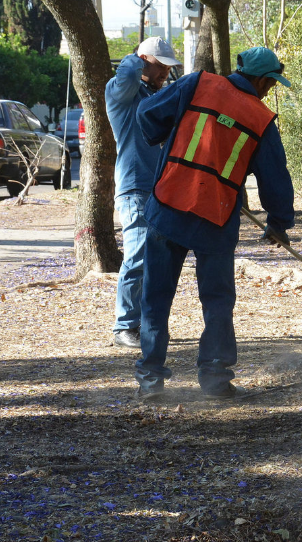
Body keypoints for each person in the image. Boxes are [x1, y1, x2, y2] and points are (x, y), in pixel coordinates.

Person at [133, 46, 295, 401]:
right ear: (261, 79)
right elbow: (275, 178)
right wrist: (278, 223)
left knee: (156, 297)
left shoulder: (196, 84)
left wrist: (166, 135)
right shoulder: (261, 118)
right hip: (216, 218)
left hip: (168, 204)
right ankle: (215, 379)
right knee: (218, 300)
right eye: (271, 83)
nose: (270, 90)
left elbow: (146, 113)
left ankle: (150, 380)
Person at [106, 36, 181, 348]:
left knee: (153, 259)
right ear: (144, 60)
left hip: (158, 189)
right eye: (160, 65)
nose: (165, 72)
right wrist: (137, 58)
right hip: (134, 187)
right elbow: (125, 75)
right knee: (136, 256)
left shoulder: (153, 93)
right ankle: (125, 326)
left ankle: (145, 323)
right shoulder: (121, 93)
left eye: (168, 67)